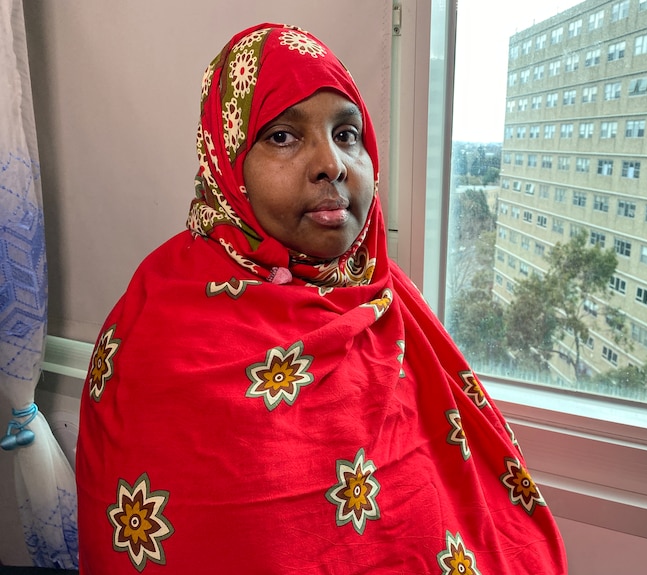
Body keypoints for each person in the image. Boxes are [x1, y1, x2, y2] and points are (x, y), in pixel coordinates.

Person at [76, 23, 567, 574]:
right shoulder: (160, 325)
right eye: (282, 135)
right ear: (227, 160)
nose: (331, 163)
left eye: (347, 134)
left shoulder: (381, 296)